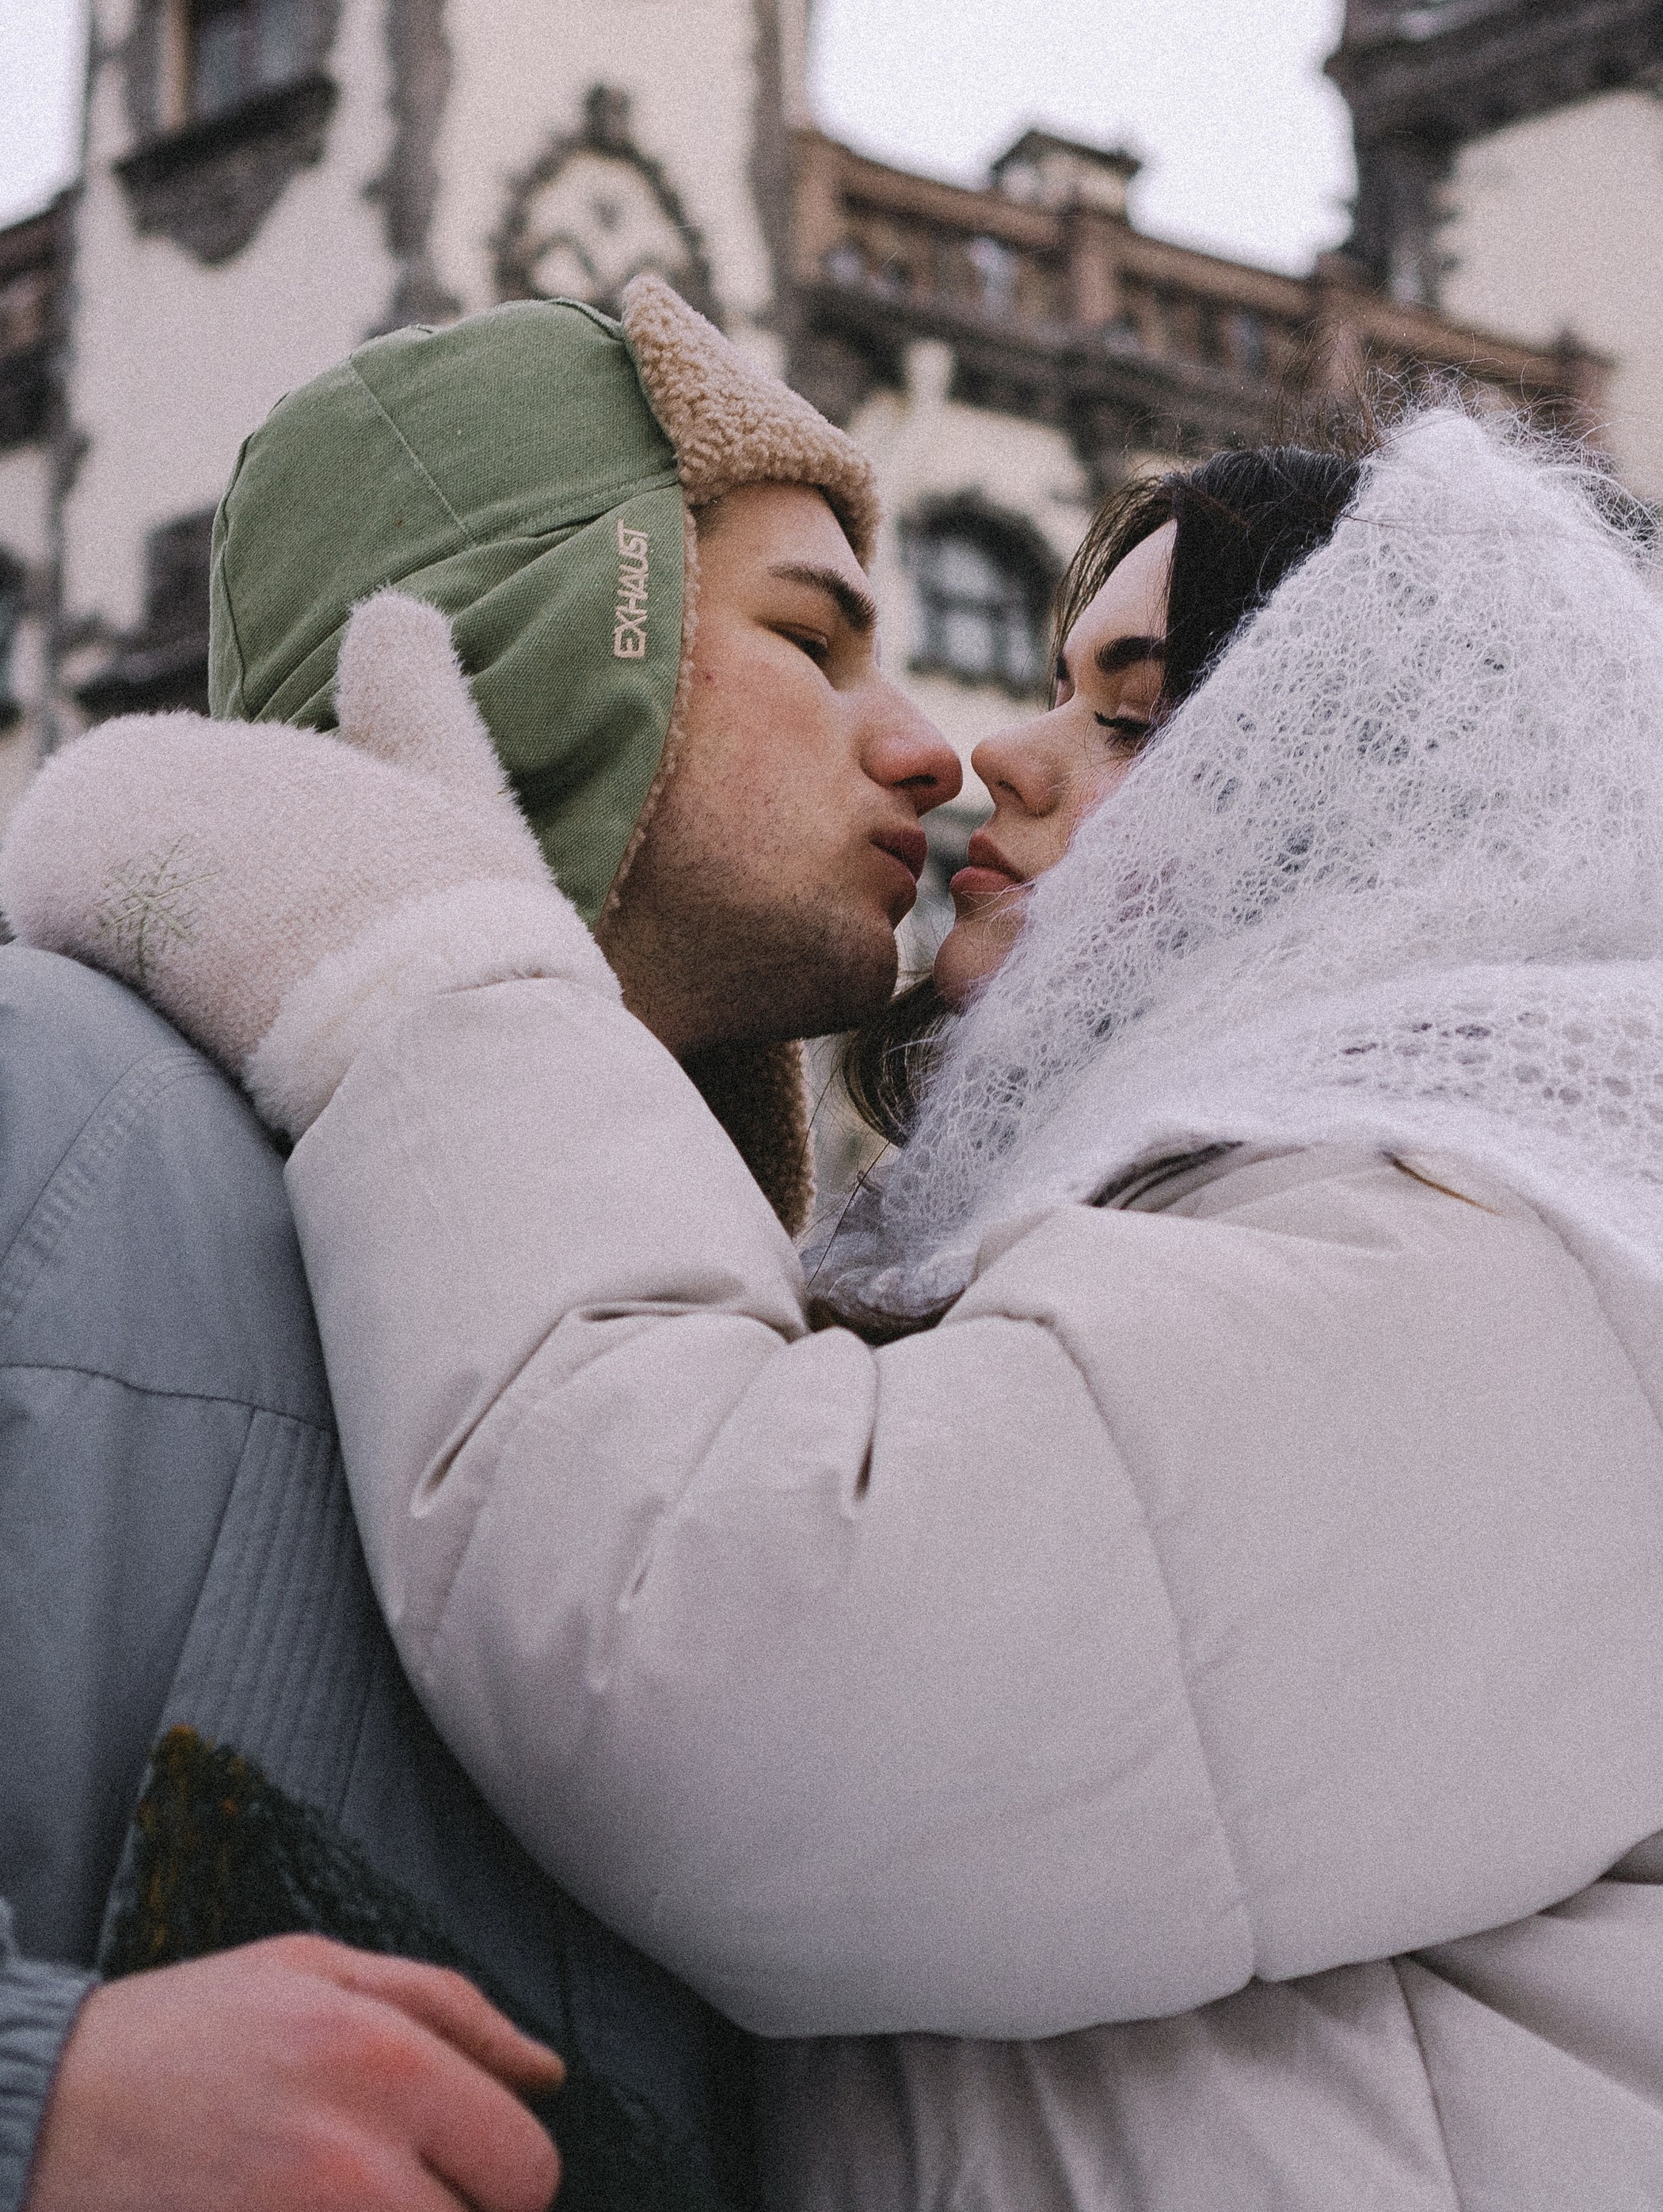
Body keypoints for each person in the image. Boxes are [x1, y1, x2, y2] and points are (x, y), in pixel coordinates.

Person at [12, 409, 1663, 2207]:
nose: (988, 756)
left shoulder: (1573, 1236)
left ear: (1383, 798)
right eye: (820, 644)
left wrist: (420, 965)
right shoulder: (1267, 1222)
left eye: (1142, 714)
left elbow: (762, 1659)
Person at [0, 277, 959, 2212]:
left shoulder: (748, 1372)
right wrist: (54, 2094)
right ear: (554, 640)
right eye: (810, 641)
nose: (934, 751)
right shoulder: (51, 1092)